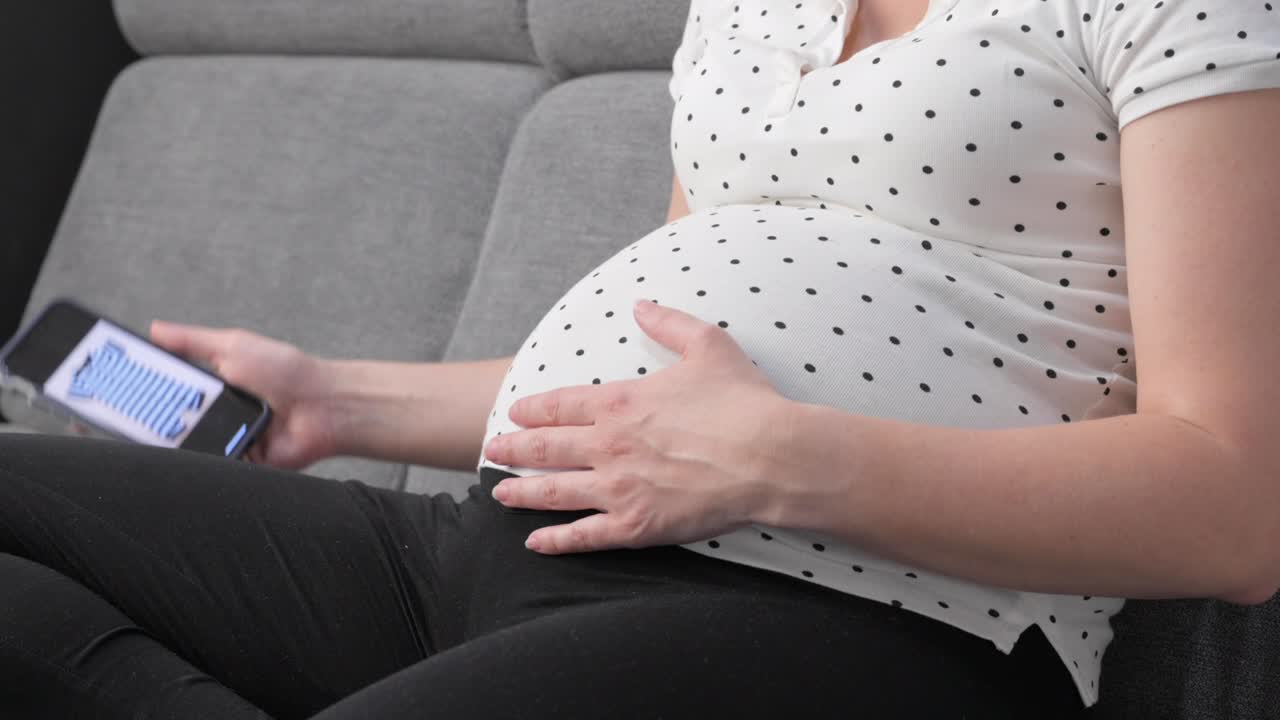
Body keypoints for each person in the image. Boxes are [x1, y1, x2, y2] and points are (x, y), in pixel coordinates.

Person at [2, 0, 1278, 717]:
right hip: (505, 544)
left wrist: (789, 459)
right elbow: (668, 384)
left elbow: (1234, 507)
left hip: (867, 616)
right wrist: (338, 402)